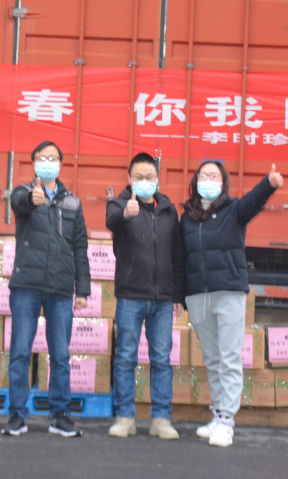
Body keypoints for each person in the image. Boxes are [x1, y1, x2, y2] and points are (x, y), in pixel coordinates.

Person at [180, 160, 283, 448]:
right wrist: (180, 295)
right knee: (212, 359)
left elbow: (253, 202)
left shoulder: (234, 210)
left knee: (229, 357)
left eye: (214, 176)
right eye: (203, 175)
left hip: (228, 293)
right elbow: (181, 257)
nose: (208, 180)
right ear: (195, 181)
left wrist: (268, 184)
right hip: (197, 295)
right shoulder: (187, 217)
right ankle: (218, 413)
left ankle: (227, 420)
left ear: (223, 182)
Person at [3, 141, 90, 438]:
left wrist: (83, 290)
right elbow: (19, 204)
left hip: (61, 288)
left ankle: (60, 414)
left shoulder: (73, 202)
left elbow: (80, 247)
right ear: (33, 163)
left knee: (61, 354)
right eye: (42, 158)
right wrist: (32, 199)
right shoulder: (24, 192)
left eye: (53, 158)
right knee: (20, 352)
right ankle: (17, 414)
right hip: (26, 285)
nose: (48, 162)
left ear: (61, 164)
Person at [105, 152, 184, 440]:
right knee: (126, 357)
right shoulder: (119, 204)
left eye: (149, 177)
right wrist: (126, 213)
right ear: (130, 178)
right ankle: (125, 417)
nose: (144, 181)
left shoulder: (168, 210)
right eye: (138, 177)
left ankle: (161, 418)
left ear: (157, 178)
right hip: (130, 295)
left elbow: (177, 254)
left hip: (162, 298)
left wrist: (177, 293)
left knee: (161, 359)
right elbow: (112, 221)